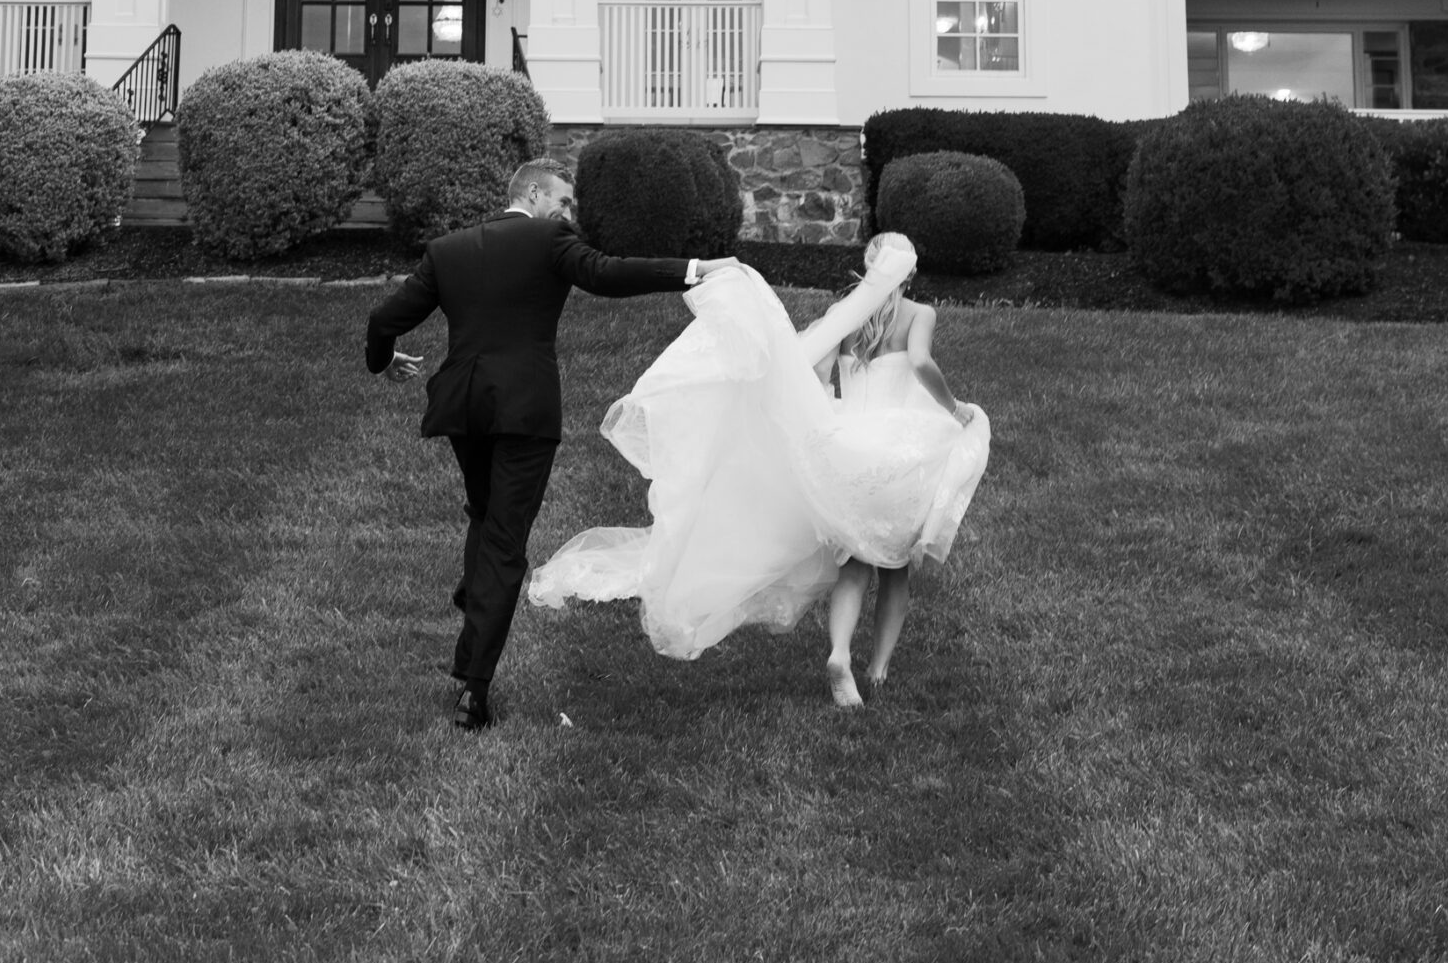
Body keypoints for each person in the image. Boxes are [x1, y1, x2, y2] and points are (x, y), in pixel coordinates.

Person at [528, 232, 988, 708]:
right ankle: (880, 672)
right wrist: (954, 409)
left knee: (854, 564)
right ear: (908, 272)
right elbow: (919, 361)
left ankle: (839, 653)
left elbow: (817, 377)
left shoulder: (847, 315)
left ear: (869, 266)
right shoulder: (920, 314)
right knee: (895, 568)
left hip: (850, 449)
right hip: (895, 453)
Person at [364, 159, 737, 732]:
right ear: (533, 193)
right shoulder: (548, 237)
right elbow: (606, 274)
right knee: (506, 545)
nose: (568, 215)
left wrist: (383, 359)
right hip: (524, 410)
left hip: (465, 407)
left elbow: (385, 317)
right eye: (563, 202)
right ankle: (474, 686)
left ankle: (474, 595)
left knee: (487, 517)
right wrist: (693, 269)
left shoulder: (450, 248)